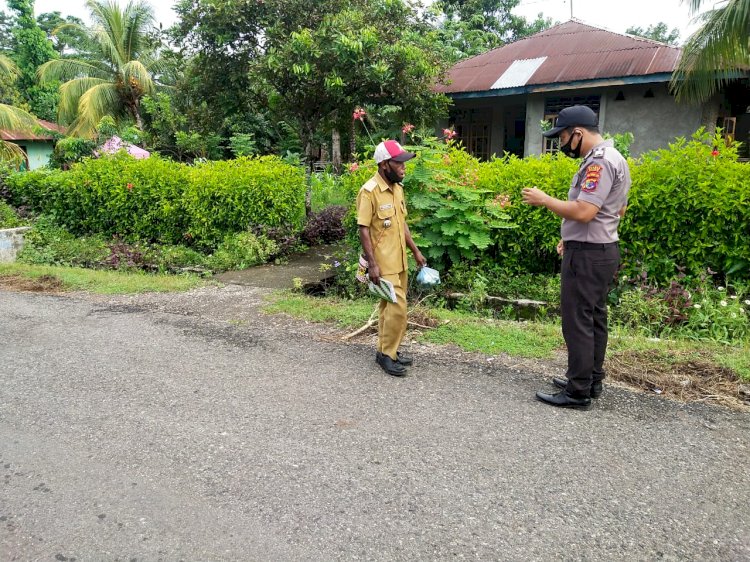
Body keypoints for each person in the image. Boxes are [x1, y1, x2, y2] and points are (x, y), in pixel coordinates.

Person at [522, 105, 631, 409]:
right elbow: (618, 209)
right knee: (594, 318)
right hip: (600, 249)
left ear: (578, 133)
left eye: (563, 137)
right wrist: (570, 237)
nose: (561, 144)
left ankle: (578, 390)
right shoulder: (616, 158)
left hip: (588, 256)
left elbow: (585, 211)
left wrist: (545, 200)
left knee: (577, 321)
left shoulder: (599, 163)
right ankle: (589, 378)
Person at [357, 140, 427, 376]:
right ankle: (387, 355)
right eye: (399, 163)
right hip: (383, 263)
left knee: (388, 308)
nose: (404, 167)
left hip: (400, 260)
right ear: (385, 164)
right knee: (398, 308)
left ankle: (387, 350)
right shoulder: (369, 192)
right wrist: (373, 265)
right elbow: (364, 229)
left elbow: (402, 223)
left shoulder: (398, 189)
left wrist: (415, 250)